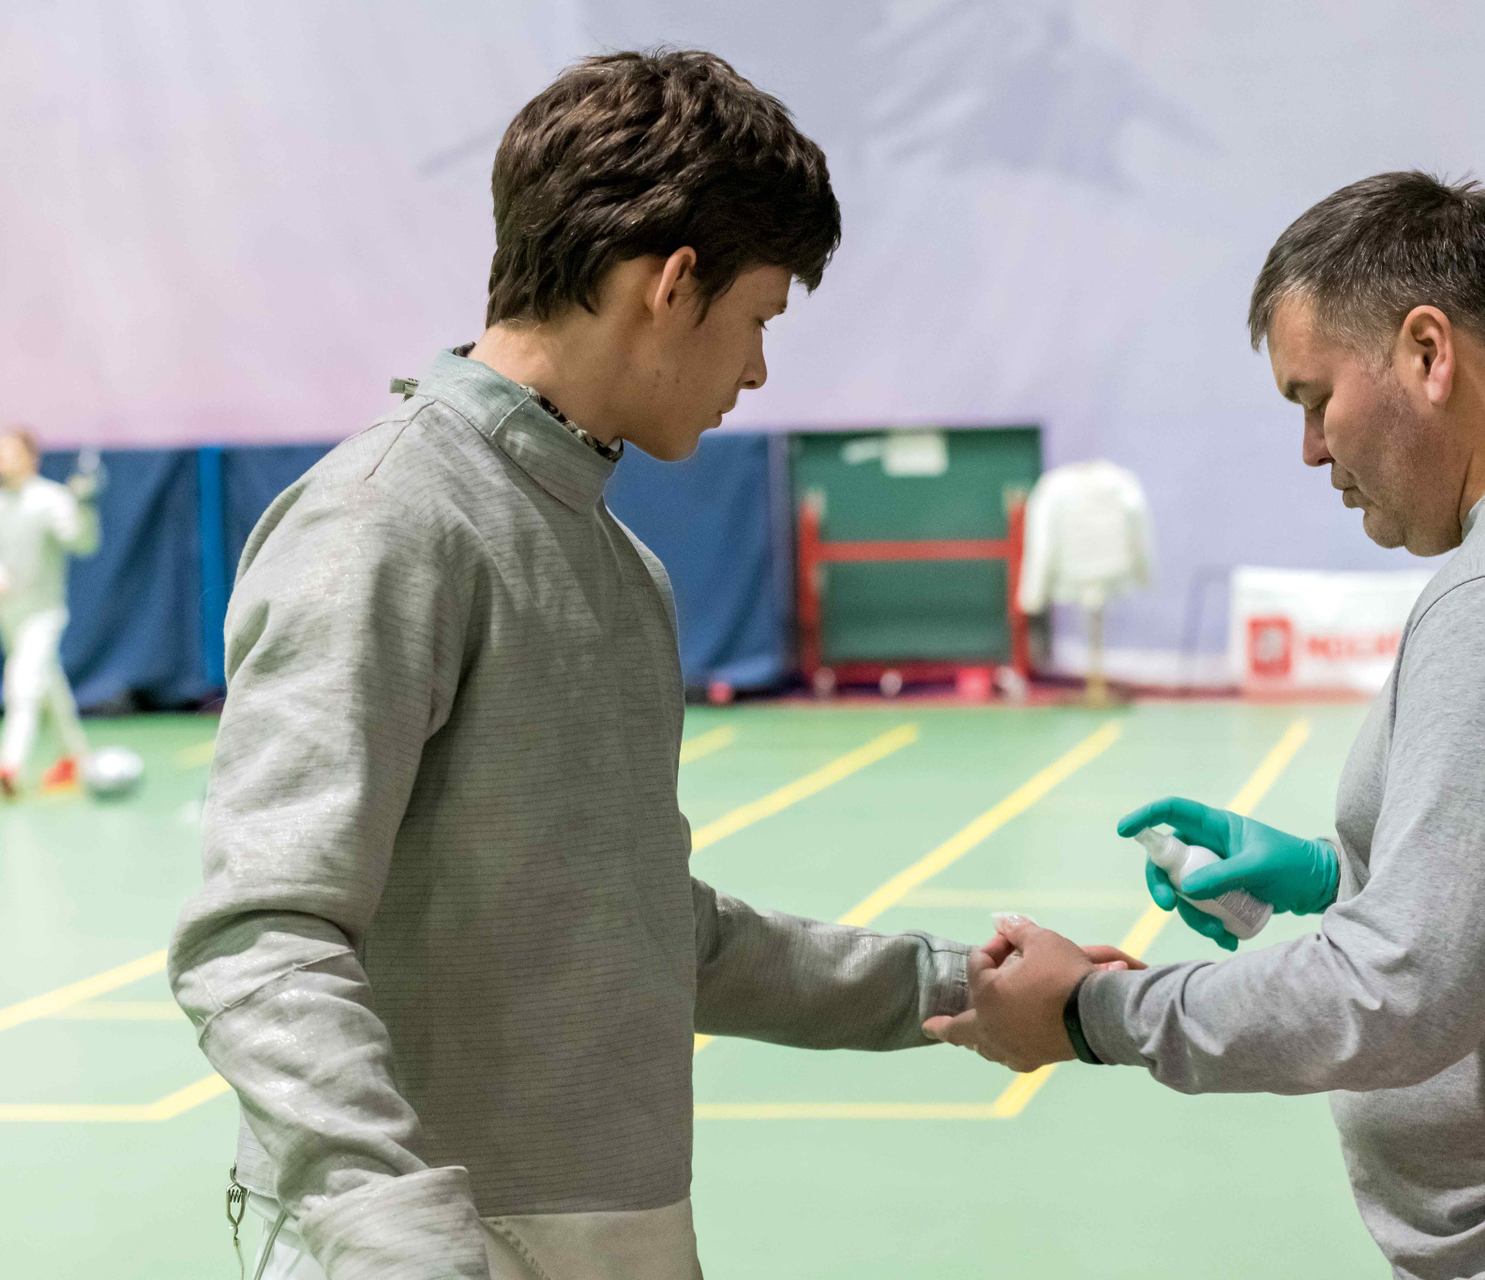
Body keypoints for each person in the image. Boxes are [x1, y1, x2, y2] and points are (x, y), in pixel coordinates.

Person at [169, 51, 1134, 1280]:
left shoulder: (619, 565)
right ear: (673, 284)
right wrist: (391, 1227)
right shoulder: (385, 521)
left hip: (614, 1227)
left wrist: (951, 986)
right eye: (760, 318)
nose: (758, 369)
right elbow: (259, 933)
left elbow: (646, 933)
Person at [925, 172, 1485, 1279]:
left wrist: (1093, 1011)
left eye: (1314, 398)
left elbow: (1399, 997)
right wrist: (1337, 872)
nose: (1312, 449)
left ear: (1427, 351)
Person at [0, 428, 99, 798]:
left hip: (44, 614)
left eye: (8, 453)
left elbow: (83, 542)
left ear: (30, 458)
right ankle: (74, 757)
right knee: (50, 686)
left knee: (23, 683)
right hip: (6, 613)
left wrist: (83, 505)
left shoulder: (51, 499)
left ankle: (9, 765)